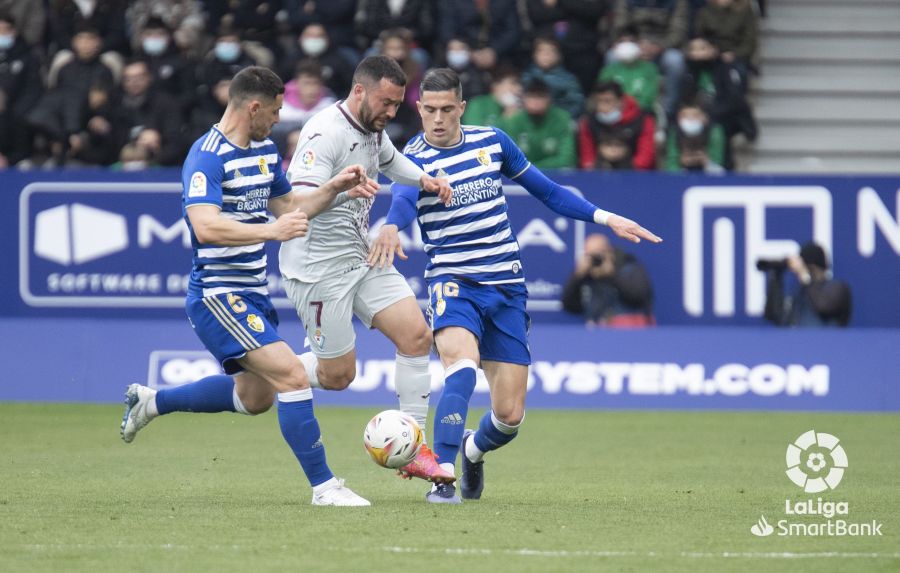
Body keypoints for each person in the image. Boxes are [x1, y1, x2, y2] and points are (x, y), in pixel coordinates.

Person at [369, 68, 662, 503]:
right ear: (419, 109)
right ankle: (443, 475)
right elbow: (404, 201)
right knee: (462, 368)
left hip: (506, 286)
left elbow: (548, 192)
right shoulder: (412, 159)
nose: (438, 118)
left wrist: (606, 217)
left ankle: (470, 451)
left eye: (447, 109)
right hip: (454, 282)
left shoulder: (493, 142)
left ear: (461, 108)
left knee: (508, 418)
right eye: (429, 110)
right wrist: (392, 227)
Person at [120, 66, 377, 506]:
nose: (279, 118)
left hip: (253, 292)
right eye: (275, 110)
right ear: (253, 106)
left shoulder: (263, 150)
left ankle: (153, 402)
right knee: (293, 376)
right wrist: (269, 233)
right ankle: (325, 488)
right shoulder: (207, 155)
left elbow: (291, 206)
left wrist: (334, 189)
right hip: (218, 295)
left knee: (254, 399)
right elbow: (205, 226)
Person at [280, 55, 455, 484]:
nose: (392, 113)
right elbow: (297, 205)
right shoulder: (324, 134)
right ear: (359, 90)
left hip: (360, 258)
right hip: (317, 269)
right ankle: (269, 372)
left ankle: (414, 447)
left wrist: (426, 180)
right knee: (338, 376)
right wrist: (340, 188)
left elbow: (393, 160)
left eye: (398, 105)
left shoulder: (373, 130)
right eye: (386, 102)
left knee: (416, 336)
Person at [561, 233, 655, 327]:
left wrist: (612, 275)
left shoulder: (628, 268)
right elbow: (569, 306)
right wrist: (578, 277)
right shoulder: (585, 275)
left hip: (628, 331)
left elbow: (639, 299)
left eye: (598, 255)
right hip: (596, 332)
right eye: (590, 255)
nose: (595, 260)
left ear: (609, 251)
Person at [763, 242, 852, 327]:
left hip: (826, 341)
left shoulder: (838, 288)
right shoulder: (798, 292)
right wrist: (776, 275)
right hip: (794, 342)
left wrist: (805, 275)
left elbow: (823, 306)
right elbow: (773, 316)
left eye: (809, 269)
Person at [577, 81, 656, 170]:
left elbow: (645, 157)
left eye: (607, 101)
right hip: (599, 172)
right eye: (598, 101)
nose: (601, 106)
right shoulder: (589, 121)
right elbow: (587, 158)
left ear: (621, 102)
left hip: (634, 174)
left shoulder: (643, 120)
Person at [501, 78, 576, 169]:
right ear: (524, 98)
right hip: (522, 177)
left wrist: (534, 168)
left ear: (549, 99)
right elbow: (509, 158)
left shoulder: (562, 119)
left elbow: (566, 159)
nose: (536, 101)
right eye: (531, 96)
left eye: (540, 96)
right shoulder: (514, 121)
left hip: (554, 175)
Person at [663, 101, 725, 172]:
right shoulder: (675, 132)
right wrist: (681, 164)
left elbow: (718, 167)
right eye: (685, 116)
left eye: (695, 115)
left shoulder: (714, 132)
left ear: (705, 118)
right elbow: (671, 165)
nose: (690, 119)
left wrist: (706, 162)